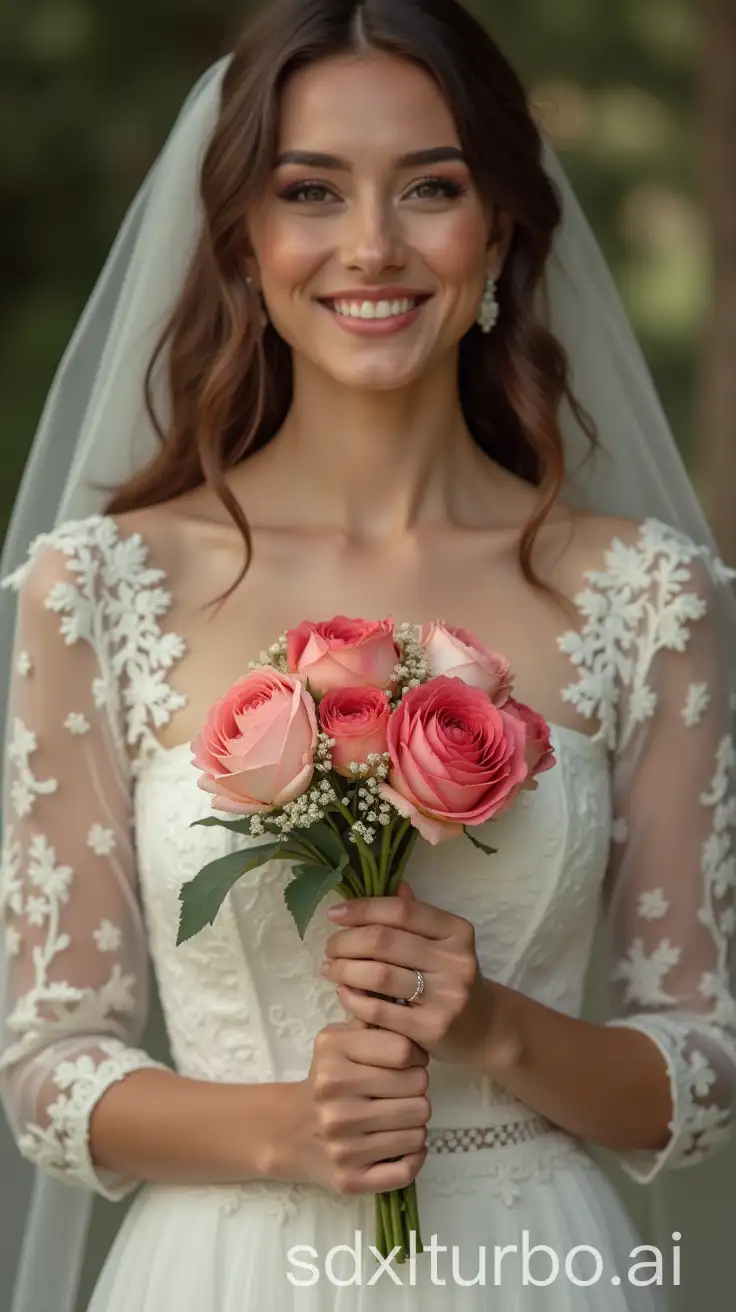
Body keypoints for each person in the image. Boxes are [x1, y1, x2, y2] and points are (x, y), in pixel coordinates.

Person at [1, 1, 735, 1309]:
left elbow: (702, 1070)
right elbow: (49, 1063)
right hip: (217, 1273)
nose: (373, 246)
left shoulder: (646, 594)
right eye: (312, 191)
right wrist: (285, 1129)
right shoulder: (99, 588)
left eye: (431, 188)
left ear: (501, 223)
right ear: (243, 239)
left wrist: (498, 1028)